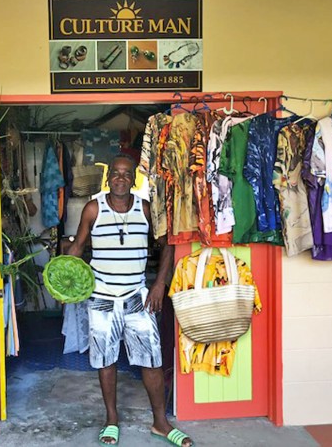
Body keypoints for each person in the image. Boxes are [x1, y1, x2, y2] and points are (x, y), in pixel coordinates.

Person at [68, 154, 193, 447]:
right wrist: (61, 278)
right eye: (116, 173)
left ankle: (160, 423)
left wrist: (159, 283)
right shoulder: (92, 209)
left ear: (133, 178)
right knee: (105, 359)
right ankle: (111, 420)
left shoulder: (145, 209)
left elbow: (168, 245)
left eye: (127, 174)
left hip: (137, 295)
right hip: (101, 296)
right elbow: (78, 247)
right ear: (108, 176)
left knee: (151, 360)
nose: (121, 178)